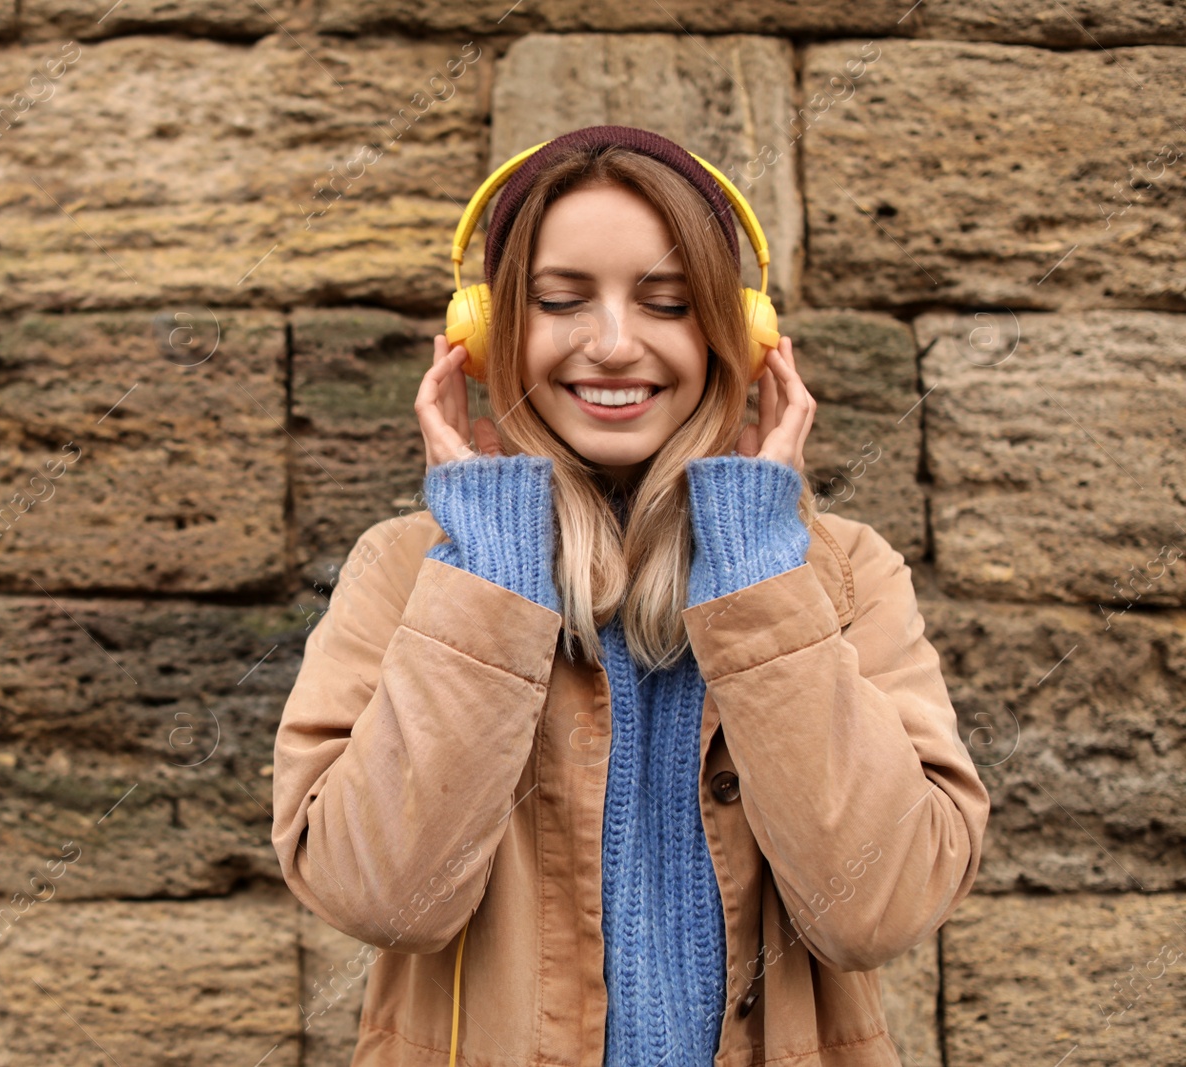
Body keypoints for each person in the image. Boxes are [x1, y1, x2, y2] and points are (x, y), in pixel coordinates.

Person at [270, 124, 990, 1067]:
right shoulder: (411, 572)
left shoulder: (844, 572)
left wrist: (758, 571)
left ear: (740, 334)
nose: (613, 345)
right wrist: (490, 569)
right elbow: (380, 893)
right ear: (487, 335)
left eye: (669, 302)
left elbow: (880, 906)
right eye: (562, 300)